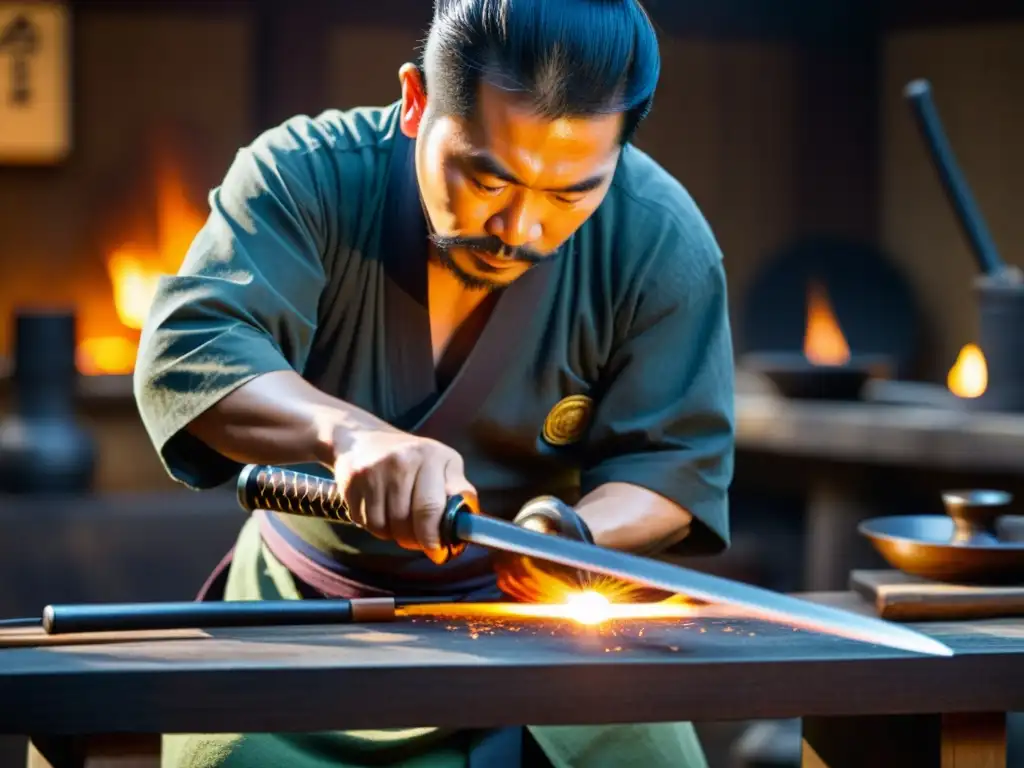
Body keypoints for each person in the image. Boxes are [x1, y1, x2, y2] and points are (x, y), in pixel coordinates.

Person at [134, 0, 735, 765]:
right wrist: (345, 435)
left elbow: (674, 466)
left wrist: (576, 535)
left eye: (570, 195)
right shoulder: (303, 176)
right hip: (306, 618)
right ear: (416, 102)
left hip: (547, 629)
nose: (520, 229)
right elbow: (194, 353)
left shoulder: (657, 237)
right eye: (487, 179)